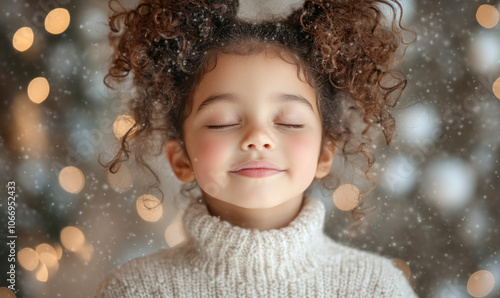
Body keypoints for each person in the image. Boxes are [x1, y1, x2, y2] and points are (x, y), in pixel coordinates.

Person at [94, 0, 417, 296]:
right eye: (222, 122)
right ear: (181, 159)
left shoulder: (376, 287)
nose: (258, 137)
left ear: (324, 154)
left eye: (289, 122)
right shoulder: (135, 289)